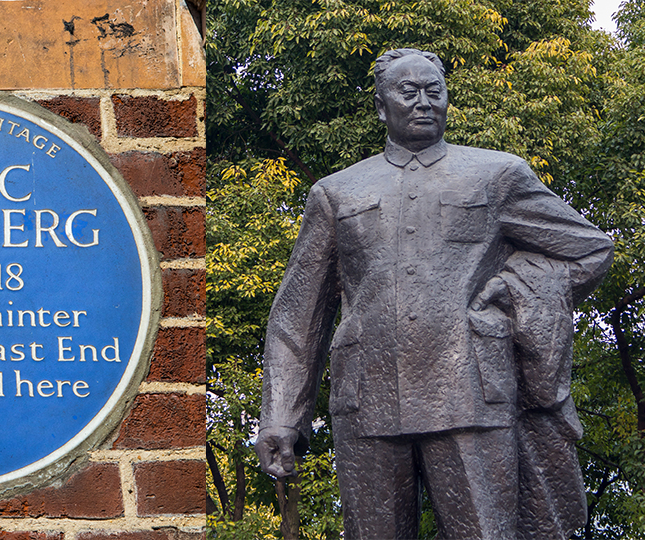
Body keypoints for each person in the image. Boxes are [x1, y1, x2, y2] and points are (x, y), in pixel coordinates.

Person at [255, 48, 614, 539]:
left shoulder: (497, 175)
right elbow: (299, 313)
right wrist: (281, 415)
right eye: (408, 92)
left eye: (434, 91)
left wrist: (510, 289)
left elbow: (588, 250)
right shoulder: (337, 193)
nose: (424, 102)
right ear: (382, 106)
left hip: (471, 393)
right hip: (368, 401)